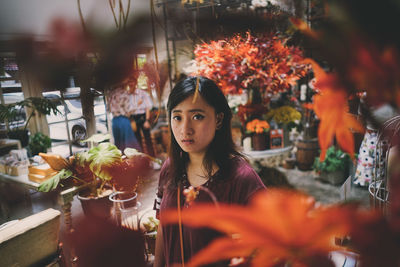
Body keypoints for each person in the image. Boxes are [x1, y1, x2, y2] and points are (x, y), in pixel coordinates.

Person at [153, 76, 266, 267]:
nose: (185, 129)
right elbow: (163, 226)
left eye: (197, 116)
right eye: (177, 117)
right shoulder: (170, 168)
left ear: (219, 119)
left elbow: (268, 246)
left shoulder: (242, 180)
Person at [107, 78, 141, 152]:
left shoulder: (110, 94)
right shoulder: (124, 93)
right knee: (130, 147)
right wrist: (137, 104)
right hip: (123, 121)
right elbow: (128, 110)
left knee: (119, 147)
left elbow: (108, 109)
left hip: (115, 121)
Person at [129, 86, 155, 157]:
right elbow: (128, 110)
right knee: (137, 141)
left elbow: (148, 107)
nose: (130, 85)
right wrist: (137, 105)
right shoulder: (128, 95)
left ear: (135, 83)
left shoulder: (143, 93)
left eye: (131, 82)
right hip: (133, 119)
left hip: (143, 117)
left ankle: (153, 159)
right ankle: (142, 160)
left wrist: (147, 120)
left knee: (148, 139)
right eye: (129, 83)